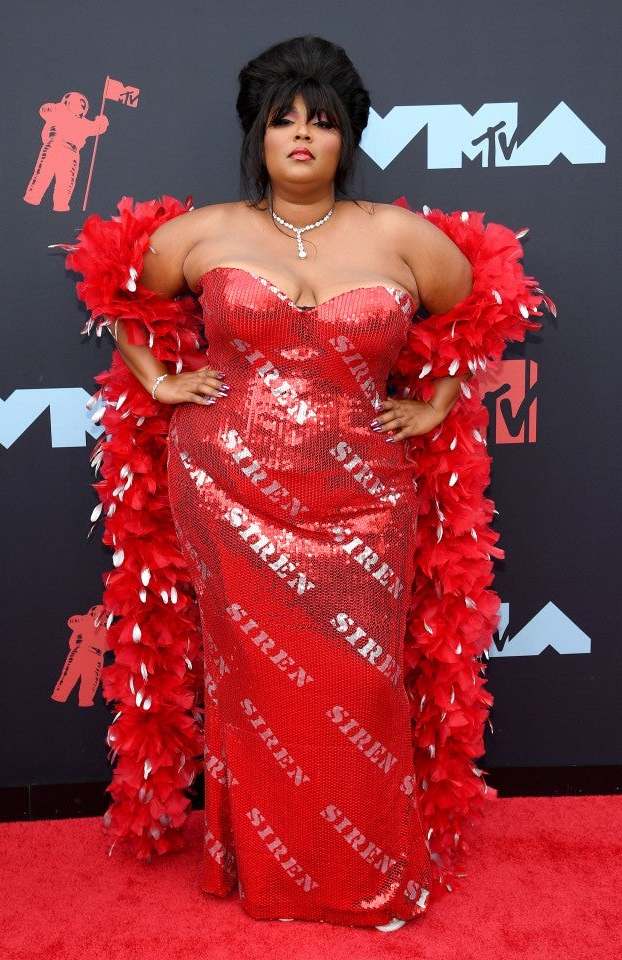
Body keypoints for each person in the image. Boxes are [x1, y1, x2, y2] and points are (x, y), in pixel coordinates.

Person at [58, 35, 549, 930]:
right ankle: (266, 874)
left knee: (360, 687)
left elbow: (484, 303)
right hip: (227, 492)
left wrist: (437, 403)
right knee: (253, 684)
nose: (299, 137)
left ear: (345, 138)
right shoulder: (206, 232)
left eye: (320, 122)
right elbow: (115, 285)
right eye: (282, 120)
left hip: (363, 501)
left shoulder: (400, 237)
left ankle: (365, 875)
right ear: (257, 132)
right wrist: (160, 380)